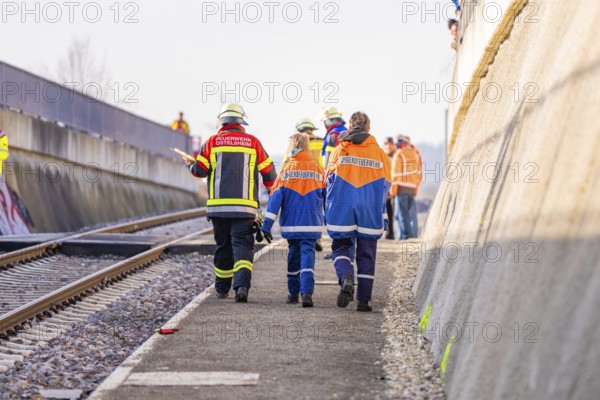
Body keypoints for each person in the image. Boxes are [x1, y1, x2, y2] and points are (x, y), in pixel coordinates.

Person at [187, 103, 277, 302]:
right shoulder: (253, 142)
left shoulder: (212, 142)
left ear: (222, 121)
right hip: (245, 209)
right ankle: (242, 288)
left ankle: (221, 289)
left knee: (223, 247)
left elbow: (200, 170)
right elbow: (269, 172)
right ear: (241, 121)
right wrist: (273, 194)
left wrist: (190, 166)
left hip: (218, 209)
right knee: (243, 247)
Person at [325, 112, 391, 312]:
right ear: (369, 128)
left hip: (341, 208)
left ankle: (346, 278)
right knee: (367, 255)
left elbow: (327, 181)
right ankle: (364, 300)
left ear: (350, 127)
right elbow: (386, 187)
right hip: (369, 210)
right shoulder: (381, 154)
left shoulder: (339, 150)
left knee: (340, 247)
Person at [261, 133, 325, 308]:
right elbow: (328, 198)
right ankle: (306, 293)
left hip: (291, 225)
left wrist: (266, 226)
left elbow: (275, 200)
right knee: (308, 258)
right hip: (312, 224)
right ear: (308, 147)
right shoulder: (318, 169)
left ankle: (293, 293)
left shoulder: (286, 170)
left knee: (293, 256)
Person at [391, 135, 422, 240]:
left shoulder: (399, 154)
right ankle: (410, 236)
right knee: (409, 214)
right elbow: (419, 174)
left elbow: (395, 175)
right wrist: (416, 189)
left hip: (401, 188)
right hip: (412, 188)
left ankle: (405, 236)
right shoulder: (415, 154)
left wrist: (393, 190)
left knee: (402, 214)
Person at [383, 137, 396, 240]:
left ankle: (392, 233)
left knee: (394, 212)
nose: (388, 147)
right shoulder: (382, 157)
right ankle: (388, 232)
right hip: (386, 187)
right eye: (386, 145)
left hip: (395, 188)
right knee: (387, 212)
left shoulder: (396, 156)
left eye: (390, 145)